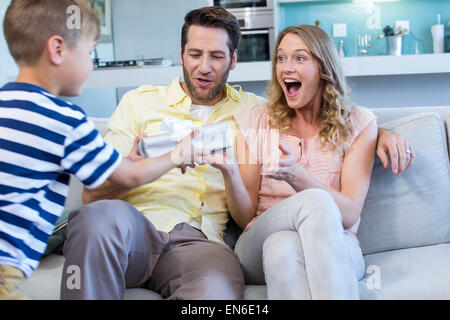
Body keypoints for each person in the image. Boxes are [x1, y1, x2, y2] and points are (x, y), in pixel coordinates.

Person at [61, 7, 414, 300]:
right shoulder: (138, 103)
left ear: (233, 60)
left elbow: (325, 116)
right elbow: (93, 196)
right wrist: (146, 166)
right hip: (135, 228)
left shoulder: (253, 111)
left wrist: (380, 132)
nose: (204, 67)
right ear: (181, 55)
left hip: (203, 243)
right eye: (195, 54)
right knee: (97, 220)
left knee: (235, 282)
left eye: (216, 56)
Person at [0, 0, 198, 300]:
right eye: (91, 52)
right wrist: (177, 154)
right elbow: (129, 177)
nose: (92, 64)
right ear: (57, 50)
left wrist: (122, 162)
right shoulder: (63, 120)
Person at [203, 24, 414, 300]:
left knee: (284, 247)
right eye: (281, 58)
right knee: (305, 211)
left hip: (338, 243)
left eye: (300, 58)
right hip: (259, 240)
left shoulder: (357, 124)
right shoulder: (258, 120)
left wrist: (296, 176)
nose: (286, 67)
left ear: (323, 69)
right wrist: (231, 172)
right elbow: (245, 218)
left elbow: (349, 214)